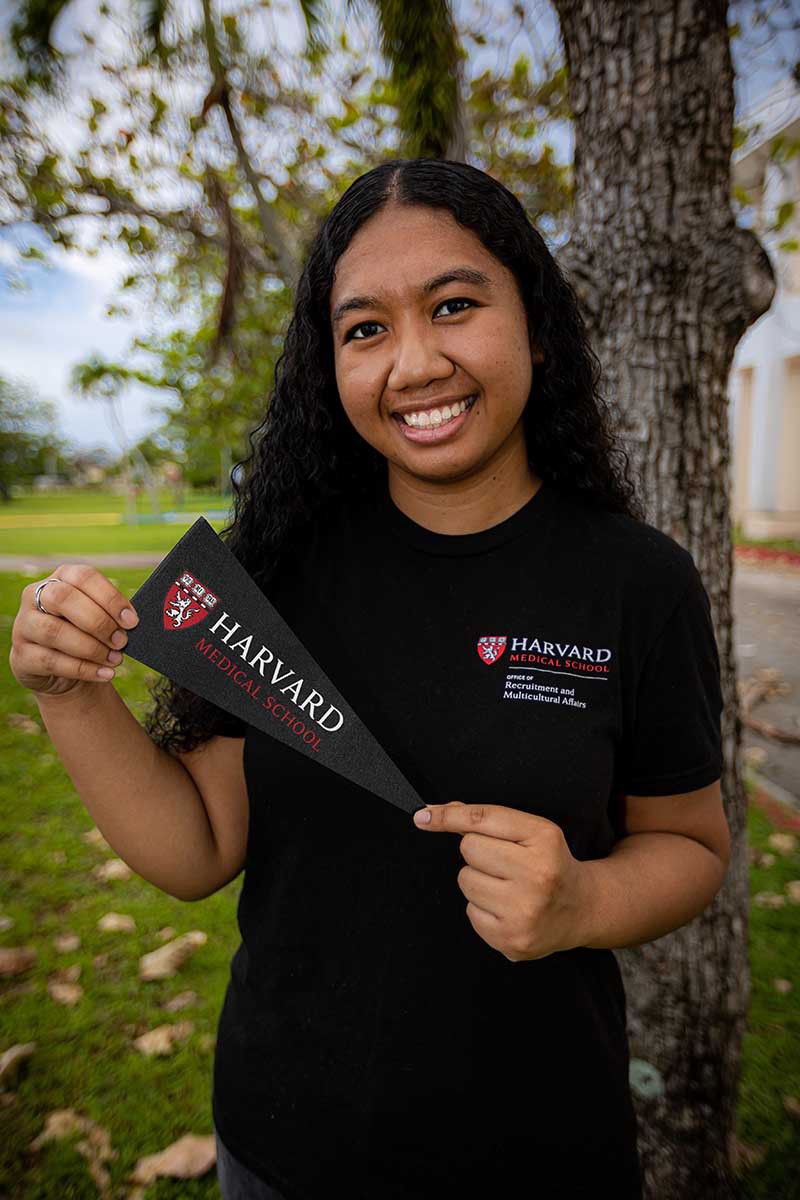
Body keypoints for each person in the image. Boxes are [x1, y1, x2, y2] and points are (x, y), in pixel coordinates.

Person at [10, 158, 728, 1200]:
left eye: (451, 305)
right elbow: (198, 846)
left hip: (538, 1147)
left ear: (532, 320)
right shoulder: (279, 568)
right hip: (282, 1146)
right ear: (327, 365)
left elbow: (690, 845)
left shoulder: (636, 582)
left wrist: (583, 900)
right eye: (365, 329)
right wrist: (69, 690)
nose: (414, 362)